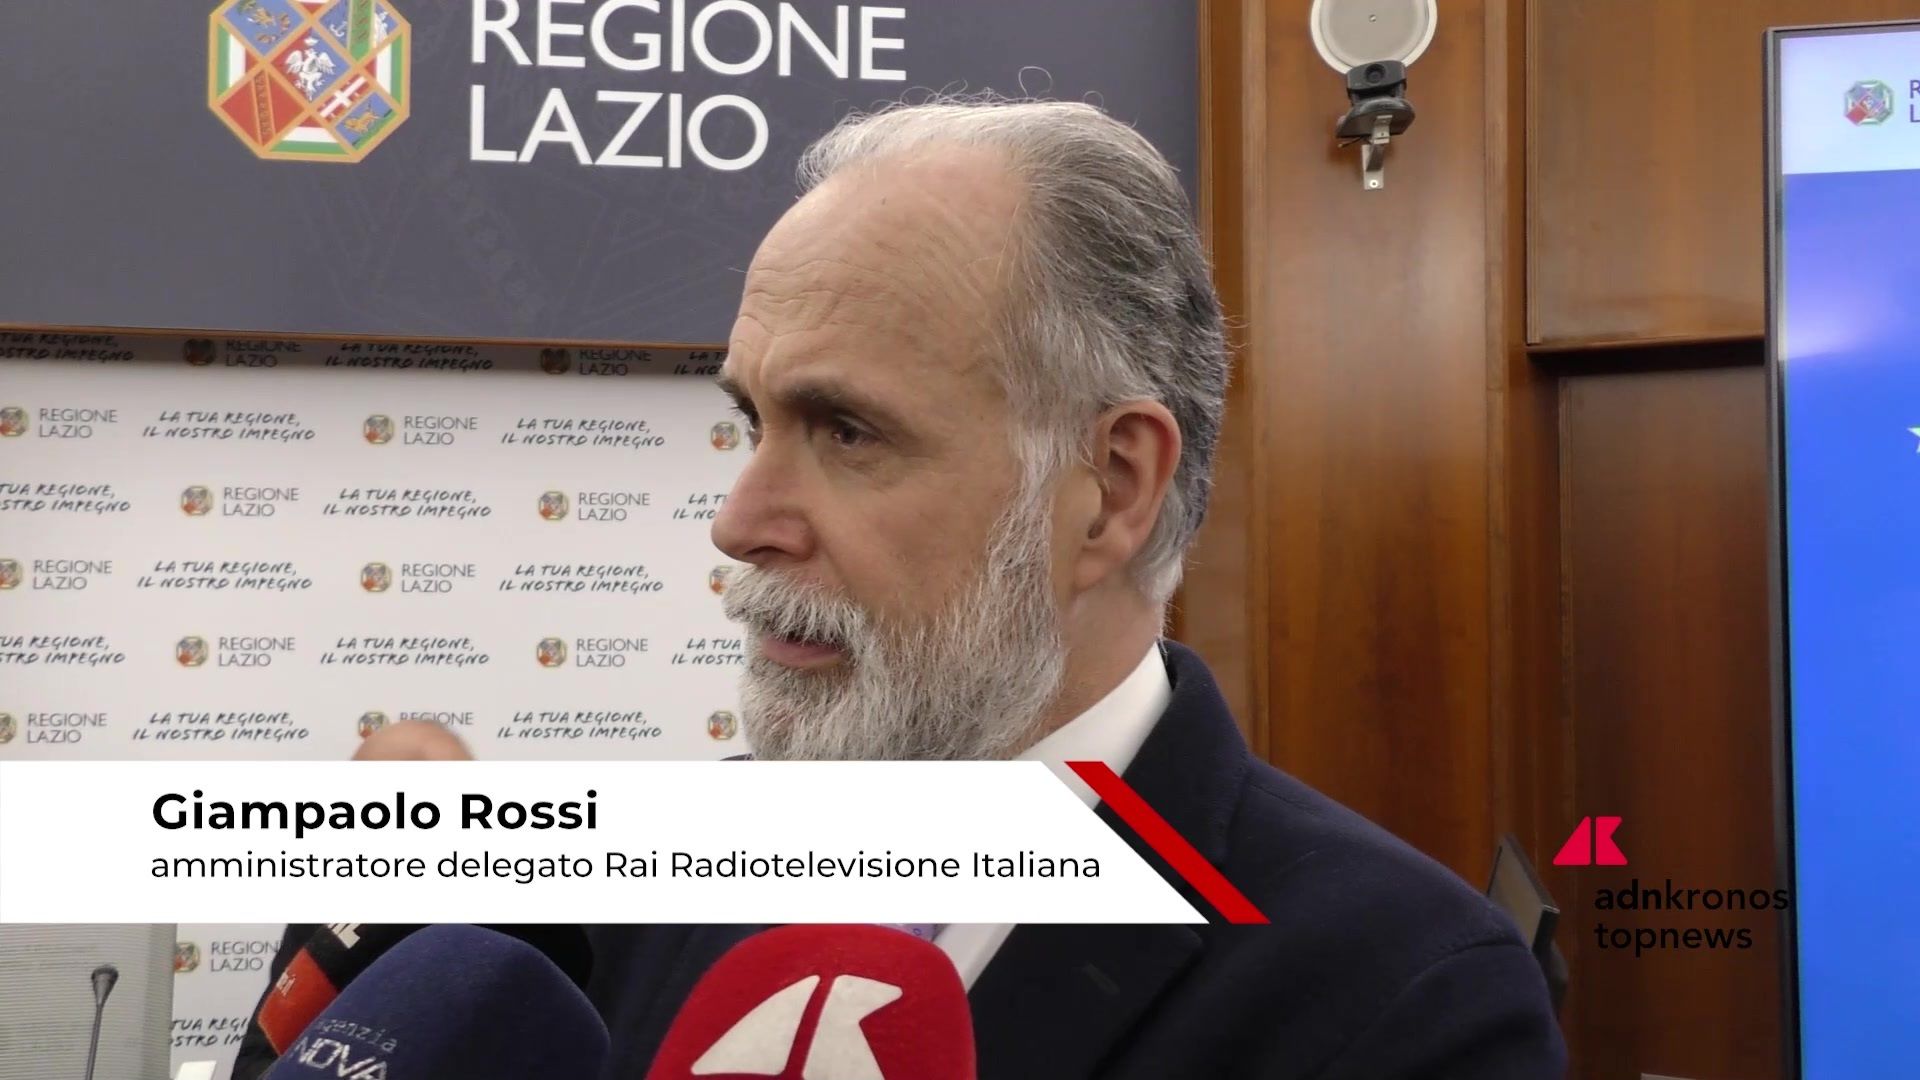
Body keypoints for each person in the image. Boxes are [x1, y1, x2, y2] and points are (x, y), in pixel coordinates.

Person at [240, 99, 1564, 1079]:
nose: (739, 523)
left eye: (847, 431)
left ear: (1111, 488)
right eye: (752, 421)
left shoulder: (1400, 1002)